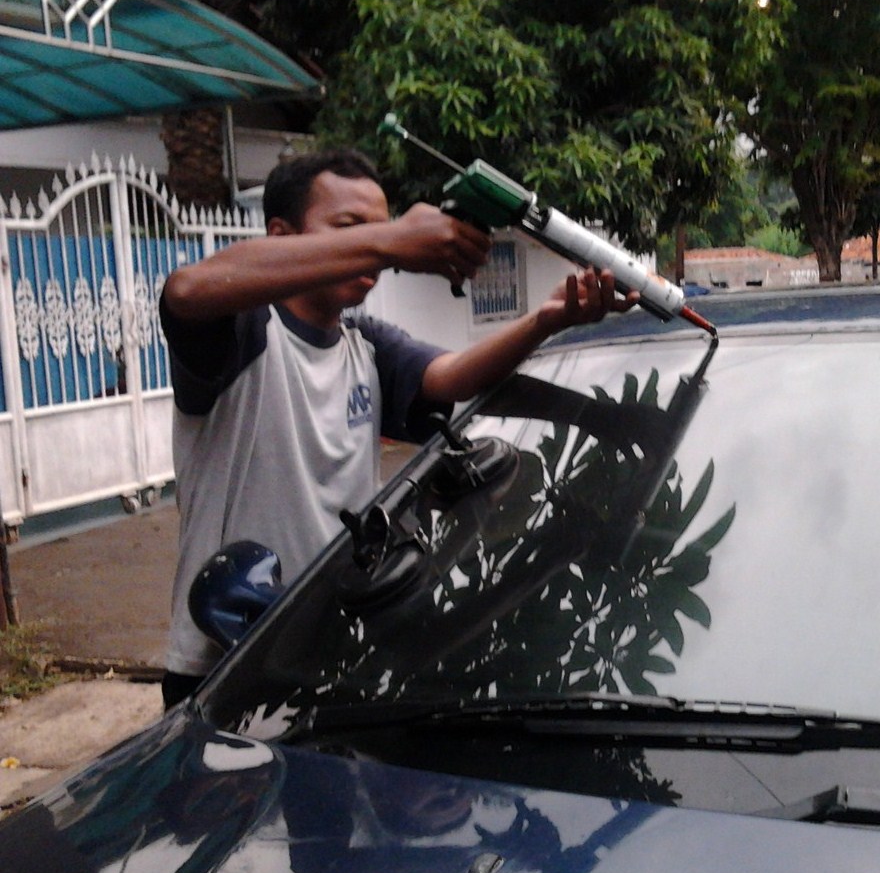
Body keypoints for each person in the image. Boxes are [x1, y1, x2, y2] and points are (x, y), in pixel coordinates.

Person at [158, 149, 637, 707]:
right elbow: (187, 291)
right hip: (227, 664)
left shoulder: (365, 344)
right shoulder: (243, 331)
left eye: (379, 229)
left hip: (340, 661)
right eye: (347, 228)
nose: (373, 245)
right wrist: (390, 240)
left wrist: (546, 320)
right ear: (283, 235)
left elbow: (452, 377)